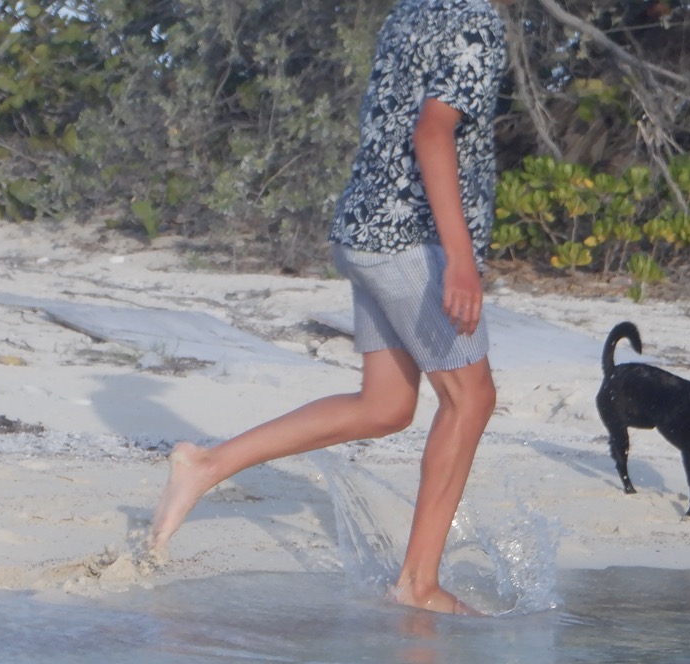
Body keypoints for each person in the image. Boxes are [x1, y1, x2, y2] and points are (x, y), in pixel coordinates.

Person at [147, 0, 510, 615]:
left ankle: (207, 463)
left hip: (364, 230)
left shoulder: (415, 10)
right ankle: (418, 585)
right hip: (410, 240)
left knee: (385, 405)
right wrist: (460, 257)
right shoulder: (476, 20)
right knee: (470, 398)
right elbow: (432, 132)